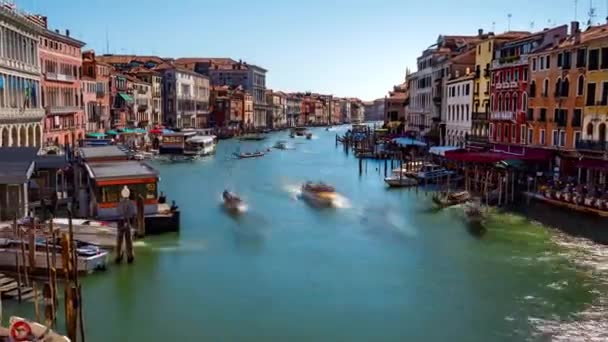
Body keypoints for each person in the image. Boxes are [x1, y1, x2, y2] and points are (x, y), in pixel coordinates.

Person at [116, 186, 135, 264]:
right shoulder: (130, 203)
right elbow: (131, 213)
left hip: (120, 221)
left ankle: (118, 255)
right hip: (127, 221)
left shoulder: (119, 203)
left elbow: (117, 211)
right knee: (128, 241)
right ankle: (130, 256)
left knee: (119, 240)